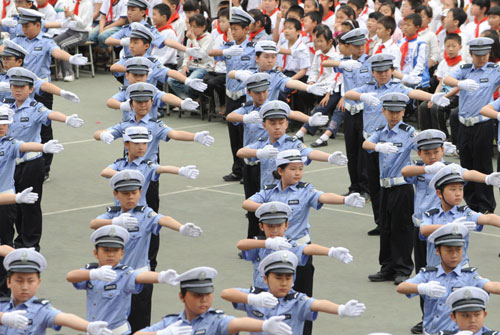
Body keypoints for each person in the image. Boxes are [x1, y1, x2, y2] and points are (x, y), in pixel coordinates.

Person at [89, 169, 203, 332]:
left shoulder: (145, 214)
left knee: (140, 323)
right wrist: (115, 221)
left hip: (139, 277)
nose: (130, 197)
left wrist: (181, 227)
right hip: (112, 279)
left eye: (134, 193)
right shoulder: (112, 215)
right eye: (125, 193)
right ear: (116, 194)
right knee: (112, 325)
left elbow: (162, 219)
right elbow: (93, 223)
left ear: (140, 192)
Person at [5, 67, 83, 251]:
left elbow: (50, 114)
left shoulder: (35, 107)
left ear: (31, 89)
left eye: (22, 86)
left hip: (31, 163)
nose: (17, 90)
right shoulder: (5, 108)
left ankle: (31, 244)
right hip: (10, 165)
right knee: (14, 204)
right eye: (14, 86)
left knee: (30, 205)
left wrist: (66, 119)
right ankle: (19, 241)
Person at [66, 225, 181, 334]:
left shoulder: (123, 274)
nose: (111, 254)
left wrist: (161, 276)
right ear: (96, 253)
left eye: (115, 250)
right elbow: (70, 276)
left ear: (122, 254)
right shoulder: (92, 272)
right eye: (106, 250)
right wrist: (93, 274)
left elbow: (140, 276)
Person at [220, 250, 366, 334]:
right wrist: (252, 300)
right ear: (265, 279)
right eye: (278, 277)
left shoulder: (297, 301)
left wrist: (340, 309)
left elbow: (318, 304)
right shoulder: (258, 296)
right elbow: (226, 293)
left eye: (288, 277)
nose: (284, 282)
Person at [396, 223, 500, 335]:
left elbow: (492, 286)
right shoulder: (428, 275)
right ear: (437, 250)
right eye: (449, 250)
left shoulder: (470, 276)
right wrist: (421, 288)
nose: (454, 255)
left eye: (458, 250)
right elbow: (401, 287)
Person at [135, 266, 293, 335]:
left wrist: (264, 325)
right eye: (197, 295)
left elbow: (237, 323)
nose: (204, 299)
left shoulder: (215, 321)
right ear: (182, 297)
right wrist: (162, 334)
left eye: (207, 294)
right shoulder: (171, 324)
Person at [362, 92, 417, 285]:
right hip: (384, 188)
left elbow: (421, 146)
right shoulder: (381, 132)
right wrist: (378, 147)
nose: (394, 115)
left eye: (398, 111)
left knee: (401, 229)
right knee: (385, 228)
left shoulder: (408, 132)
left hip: (402, 187)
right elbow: (366, 143)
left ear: (403, 111)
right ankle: (387, 268)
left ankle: (403, 269)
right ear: (383, 111)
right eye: (390, 111)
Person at [238, 201, 354, 290]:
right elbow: (241, 244)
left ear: (286, 225)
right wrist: (267, 243)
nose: (275, 230)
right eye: (270, 226)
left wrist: (331, 251)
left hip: (284, 294)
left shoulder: (288, 244)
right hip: (261, 293)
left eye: (279, 225)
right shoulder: (259, 244)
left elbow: (307, 248)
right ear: (261, 227)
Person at [443, 37, 500, 214]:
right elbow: (447, 78)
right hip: (463, 124)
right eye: (477, 55)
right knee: (466, 163)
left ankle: (485, 206)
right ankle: (471, 203)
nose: (481, 58)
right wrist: (460, 83)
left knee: (482, 165)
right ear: (471, 54)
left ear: (489, 54)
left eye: (485, 54)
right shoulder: (464, 70)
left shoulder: (494, 70)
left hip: (482, 124)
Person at [236, 100, 348, 189]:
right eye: (272, 123)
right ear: (264, 126)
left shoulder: (291, 143)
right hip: (266, 192)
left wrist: (329, 158)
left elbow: (310, 153)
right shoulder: (262, 143)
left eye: (281, 123)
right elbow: (240, 152)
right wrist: (259, 152)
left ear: (286, 124)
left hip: (287, 192)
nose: (277, 127)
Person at [0, 248, 113, 335]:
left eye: (30, 281)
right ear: (9, 282)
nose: (24, 287)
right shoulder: (2, 306)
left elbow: (64, 318)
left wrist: (88, 326)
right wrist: (3, 317)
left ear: (39, 283)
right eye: (19, 281)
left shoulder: (40, 310)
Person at [207, 7, 257, 183]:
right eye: (232, 29)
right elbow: (211, 52)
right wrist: (226, 52)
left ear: (246, 29)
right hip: (231, 94)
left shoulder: (253, 48)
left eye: (236, 29)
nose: (233, 32)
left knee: (246, 134)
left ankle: (247, 169)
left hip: (245, 96)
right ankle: (237, 169)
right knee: (233, 135)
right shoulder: (228, 46)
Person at [419, 163, 500, 268]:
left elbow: (487, 218)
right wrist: (451, 227)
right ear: (439, 193)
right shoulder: (431, 214)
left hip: (461, 272)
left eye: (460, 189)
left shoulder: (464, 212)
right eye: (453, 189)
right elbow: (423, 230)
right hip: (436, 273)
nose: (458, 193)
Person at [100, 126, 199, 207]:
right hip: (119, 212)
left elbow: (162, 168)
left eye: (145, 143)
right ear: (126, 144)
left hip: (140, 212)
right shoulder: (120, 163)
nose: (141, 147)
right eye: (136, 143)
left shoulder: (147, 165)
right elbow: (105, 172)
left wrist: (181, 170)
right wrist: (126, 175)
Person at [106, 57, 199, 121]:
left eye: (141, 75)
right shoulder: (126, 91)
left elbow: (165, 96)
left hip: (150, 131)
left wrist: (181, 103)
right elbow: (110, 102)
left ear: (147, 76)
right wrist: (122, 105)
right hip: (130, 133)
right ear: (127, 75)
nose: (138, 78)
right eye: (134, 75)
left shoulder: (150, 90)